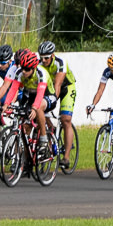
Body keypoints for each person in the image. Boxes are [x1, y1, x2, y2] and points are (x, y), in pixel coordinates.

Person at [0, 49, 55, 153]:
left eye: (27, 69)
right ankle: (23, 161)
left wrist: (34, 109)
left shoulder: (41, 73)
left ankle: (43, 138)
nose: (24, 71)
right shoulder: (20, 72)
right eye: (22, 68)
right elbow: (13, 90)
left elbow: (40, 94)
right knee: (24, 129)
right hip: (32, 96)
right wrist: (6, 104)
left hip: (47, 95)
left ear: (33, 68)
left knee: (38, 108)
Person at [38, 40, 77, 169]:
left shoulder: (60, 63)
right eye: (41, 57)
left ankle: (66, 157)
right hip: (49, 89)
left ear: (52, 55)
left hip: (66, 88)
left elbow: (58, 85)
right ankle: (50, 135)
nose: (43, 60)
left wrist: (53, 101)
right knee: (41, 114)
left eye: (46, 58)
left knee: (65, 119)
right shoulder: (39, 65)